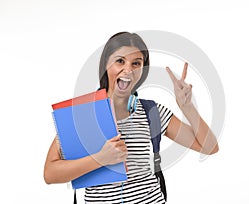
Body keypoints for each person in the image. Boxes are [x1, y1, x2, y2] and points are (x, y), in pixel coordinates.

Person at [44, 32, 219, 203]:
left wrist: (187, 106)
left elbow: (210, 147)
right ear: (106, 64)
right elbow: (50, 174)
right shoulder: (82, 115)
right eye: (120, 61)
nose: (128, 69)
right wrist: (101, 158)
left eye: (136, 63)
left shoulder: (153, 112)